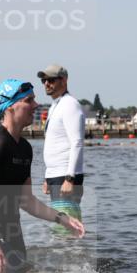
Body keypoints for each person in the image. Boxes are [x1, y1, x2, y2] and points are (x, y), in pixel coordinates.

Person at [0, 79, 86, 273]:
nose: (36, 105)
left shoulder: (25, 148)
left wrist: (62, 218)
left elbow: (26, 200)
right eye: (29, 100)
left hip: (13, 233)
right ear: (12, 107)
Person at [37, 64, 86, 228]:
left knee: (68, 228)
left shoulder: (70, 105)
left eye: (51, 80)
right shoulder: (55, 105)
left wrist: (69, 178)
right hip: (56, 176)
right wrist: (47, 176)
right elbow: (55, 143)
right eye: (44, 80)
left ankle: (75, 253)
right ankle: (66, 253)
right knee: (61, 226)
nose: (46, 84)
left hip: (66, 176)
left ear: (63, 80)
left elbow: (77, 142)